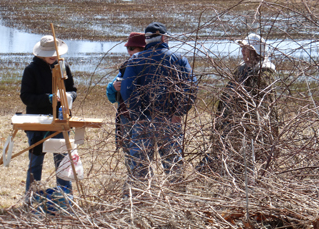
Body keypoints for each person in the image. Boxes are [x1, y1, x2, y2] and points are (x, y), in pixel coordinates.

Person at [120, 22, 197, 186]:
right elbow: (190, 87)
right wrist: (178, 113)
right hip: (170, 121)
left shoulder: (135, 60)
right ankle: (177, 201)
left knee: (139, 170)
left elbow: (128, 90)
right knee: (174, 167)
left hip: (143, 123)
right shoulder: (178, 59)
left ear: (147, 40)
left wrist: (137, 116)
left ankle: (139, 201)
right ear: (164, 38)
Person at [199, 33, 278, 180]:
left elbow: (264, 107)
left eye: (246, 48)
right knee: (224, 157)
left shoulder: (263, 73)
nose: (242, 51)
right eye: (242, 48)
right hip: (232, 124)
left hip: (248, 128)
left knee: (247, 161)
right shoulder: (242, 70)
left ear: (255, 51)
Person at [20, 35, 77, 194]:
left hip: (60, 120)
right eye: (48, 52)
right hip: (37, 123)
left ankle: (64, 195)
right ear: (40, 53)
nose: (53, 55)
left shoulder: (63, 67)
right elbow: (26, 97)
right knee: (36, 161)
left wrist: (69, 97)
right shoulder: (31, 70)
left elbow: (73, 90)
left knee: (62, 160)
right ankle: (31, 195)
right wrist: (48, 99)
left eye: (55, 52)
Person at [106, 32, 146, 154]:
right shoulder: (125, 67)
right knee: (128, 151)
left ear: (143, 49)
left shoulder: (150, 68)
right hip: (125, 116)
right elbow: (111, 97)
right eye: (128, 48)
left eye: (132, 48)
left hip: (144, 116)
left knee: (142, 152)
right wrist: (113, 87)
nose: (129, 51)